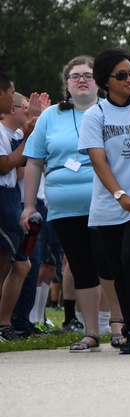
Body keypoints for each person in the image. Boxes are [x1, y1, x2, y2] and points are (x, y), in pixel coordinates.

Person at [78, 49, 130, 353]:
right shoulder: (95, 116)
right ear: (104, 82)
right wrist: (119, 194)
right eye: (121, 75)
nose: (129, 79)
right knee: (117, 269)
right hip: (110, 204)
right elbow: (99, 162)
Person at [0, 80, 40, 342]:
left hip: (10, 196)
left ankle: (4, 324)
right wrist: (29, 135)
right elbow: (6, 166)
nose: (13, 98)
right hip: (3, 196)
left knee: (15, 264)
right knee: (4, 265)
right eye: (12, 93)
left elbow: (20, 168)